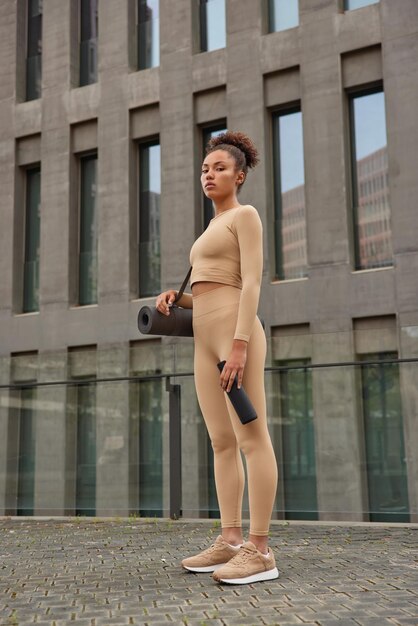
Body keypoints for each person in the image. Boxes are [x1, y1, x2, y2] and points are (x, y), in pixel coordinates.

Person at [155, 131, 278, 585]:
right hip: (204, 338)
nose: (210, 174)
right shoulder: (210, 227)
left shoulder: (245, 216)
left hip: (234, 336)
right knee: (221, 442)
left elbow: (249, 284)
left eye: (220, 168)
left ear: (240, 176)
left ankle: (260, 549)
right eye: (206, 169)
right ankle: (229, 541)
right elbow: (210, 286)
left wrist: (241, 345)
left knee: (251, 438)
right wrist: (177, 299)